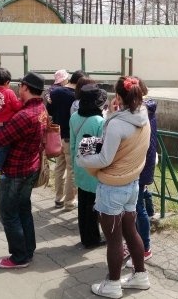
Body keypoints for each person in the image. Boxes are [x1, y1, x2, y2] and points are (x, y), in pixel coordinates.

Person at [76, 76, 151, 298]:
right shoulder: (143, 116)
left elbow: (104, 159)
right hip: (132, 184)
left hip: (112, 187)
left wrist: (82, 158)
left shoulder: (118, 123)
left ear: (118, 96)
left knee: (114, 239)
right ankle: (140, 275)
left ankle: (113, 284)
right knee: (131, 231)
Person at [0, 72, 47, 269]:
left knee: (8, 214)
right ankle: (28, 249)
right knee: (23, 210)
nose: (17, 89)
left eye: (20, 86)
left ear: (24, 87)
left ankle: (19, 257)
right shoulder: (41, 109)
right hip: (30, 166)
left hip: (15, 170)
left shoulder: (24, 115)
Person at [70, 84, 107, 249]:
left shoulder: (74, 117)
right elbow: (101, 148)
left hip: (79, 164)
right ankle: (92, 239)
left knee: (83, 201)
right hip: (93, 169)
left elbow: (72, 145)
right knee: (92, 205)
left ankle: (84, 236)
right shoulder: (99, 121)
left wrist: (74, 163)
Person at [125, 80, 157, 268]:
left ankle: (144, 248)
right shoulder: (145, 109)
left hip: (140, 163)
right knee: (135, 207)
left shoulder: (140, 112)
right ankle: (135, 243)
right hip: (143, 162)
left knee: (138, 208)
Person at [48, 70, 86, 210]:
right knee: (71, 170)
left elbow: (50, 110)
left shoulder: (55, 92)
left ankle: (58, 199)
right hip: (70, 136)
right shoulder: (75, 97)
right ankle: (69, 202)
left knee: (59, 168)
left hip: (57, 135)